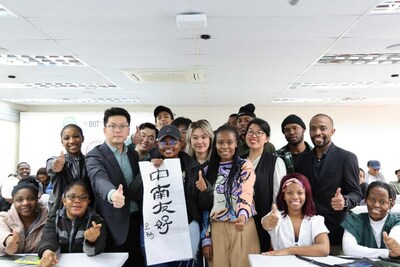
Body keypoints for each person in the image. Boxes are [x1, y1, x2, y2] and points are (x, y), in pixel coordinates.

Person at [132, 124, 207, 267]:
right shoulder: (149, 164)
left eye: (173, 142)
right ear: (157, 144)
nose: (168, 146)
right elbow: (134, 194)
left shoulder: (193, 167)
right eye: (163, 142)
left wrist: (205, 190)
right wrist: (149, 170)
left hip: (184, 232)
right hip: (157, 233)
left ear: (181, 143)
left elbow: (204, 204)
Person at [85, 107, 144, 267]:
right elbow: (98, 178)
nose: (118, 130)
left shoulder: (133, 154)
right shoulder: (94, 155)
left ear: (128, 130)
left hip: (136, 220)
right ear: (105, 130)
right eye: (112, 126)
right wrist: (112, 195)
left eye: (122, 126)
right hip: (113, 224)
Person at [297, 113, 362, 254]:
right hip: (306, 230)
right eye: (312, 129)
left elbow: (356, 193)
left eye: (322, 128)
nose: (317, 133)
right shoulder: (303, 160)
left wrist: (344, 201)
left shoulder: (347, 158)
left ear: (332, 131)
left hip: (335, 230)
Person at [202, 125, 259, 267]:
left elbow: (246, 191)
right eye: (220, 142)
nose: (225, 146)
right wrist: (206, 238)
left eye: (229, 142)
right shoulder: (207, 170)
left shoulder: (245, 165)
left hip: (242, 225)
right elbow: (205, 207)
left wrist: (243, 213)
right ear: (215, 145)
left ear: (236, 143)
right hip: (217, 229)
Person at [38, 182, 106, 267]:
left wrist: (92, 240)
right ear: (64, 201)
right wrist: (47, 252)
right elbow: (48, 238)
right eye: (72, 197)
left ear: (88, 201)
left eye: (83, 197)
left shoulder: (96, 221)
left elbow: (95, 252)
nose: (77, 200)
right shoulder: (54, 220)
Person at [243, 118, 286, 252]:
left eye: (259, 133)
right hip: (241, 223)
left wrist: (273, 220)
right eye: (250, 132)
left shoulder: (275, 162)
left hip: (265, 223)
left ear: (267, 138)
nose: (253, 136)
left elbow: (278, 197)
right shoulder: (238, 162)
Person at [261, 173, 330, 256]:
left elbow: (324, 249)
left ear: (306, 195)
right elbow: (265, 222)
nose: (295, 197)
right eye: (289, 193)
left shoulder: (315, 220)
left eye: (300, 193)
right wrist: (266, 222)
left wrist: (289, 250)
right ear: (284, 196)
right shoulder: (276, 216)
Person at [341, 181, 400, 258]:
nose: (376, 205)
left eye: (382, 202)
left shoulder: (396, 222)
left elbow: (395, 246)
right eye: (372, 199)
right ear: (365, 200)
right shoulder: (354, 221)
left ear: (391, 204)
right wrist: (386, 253)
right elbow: (348, 249)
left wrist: (392, 250)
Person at [46, 124, 91, 214]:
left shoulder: (90, 162)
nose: (71, 141)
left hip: (86, 212)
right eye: (66, 138)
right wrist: (55, 165)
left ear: (83, 138)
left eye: (76, 136)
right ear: (62, 142)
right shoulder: (58, 161)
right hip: (59, 213)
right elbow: (51, 165)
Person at [0, 178, 48, 255]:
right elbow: (1, 232)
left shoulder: (48, 219)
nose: (25, 203)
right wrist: (8, 240)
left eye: (31, 198)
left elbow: (50, 241)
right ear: (13, 202)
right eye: (19, 200)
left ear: (37, 199)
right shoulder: (4, 217)